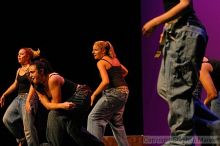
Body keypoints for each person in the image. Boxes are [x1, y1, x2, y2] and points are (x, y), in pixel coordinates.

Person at [142, 0, 220, 145]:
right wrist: (166, 29)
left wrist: (155, 21)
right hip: (175, 32)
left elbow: (185, 3)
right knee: (164, 87)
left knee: (178, 90)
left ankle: (181, 140)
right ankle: (215, 131)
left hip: (185, 30)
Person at [27, 58, 104, 146]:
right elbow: (47, 105)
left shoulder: (53, 79)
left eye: (32, 72)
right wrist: (62, 105)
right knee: (73, 130)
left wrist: (60, 105)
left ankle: (52, 144)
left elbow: (55, 104)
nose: (30, 75)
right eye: (29, 73)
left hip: (82, 94)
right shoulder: (36, 86)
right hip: (68, 101)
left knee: (54, 114)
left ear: (41, 71)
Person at [87, 40, 129, 146]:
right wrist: (117, 79)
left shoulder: (101, 62)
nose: (93, 52)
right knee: (117, 124)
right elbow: (125, 71)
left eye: (95, 50)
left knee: (94, 118)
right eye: (93, 50)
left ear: (103, 51)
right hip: (124, 93)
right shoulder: (115, 59)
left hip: (114, 94)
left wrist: (94, 94)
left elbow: (105, 82)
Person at [0, 47, 40, 146]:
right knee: (7, 119)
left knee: (28, 128)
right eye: (18, 54)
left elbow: (34, 85)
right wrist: (4, 94)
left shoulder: (32, 67)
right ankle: (22, 138)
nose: (18, 56)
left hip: (29, 97)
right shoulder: (19, 70)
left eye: (21, 54)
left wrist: (28, 100)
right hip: (19, 98)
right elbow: (15, 84)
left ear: (28, 56)